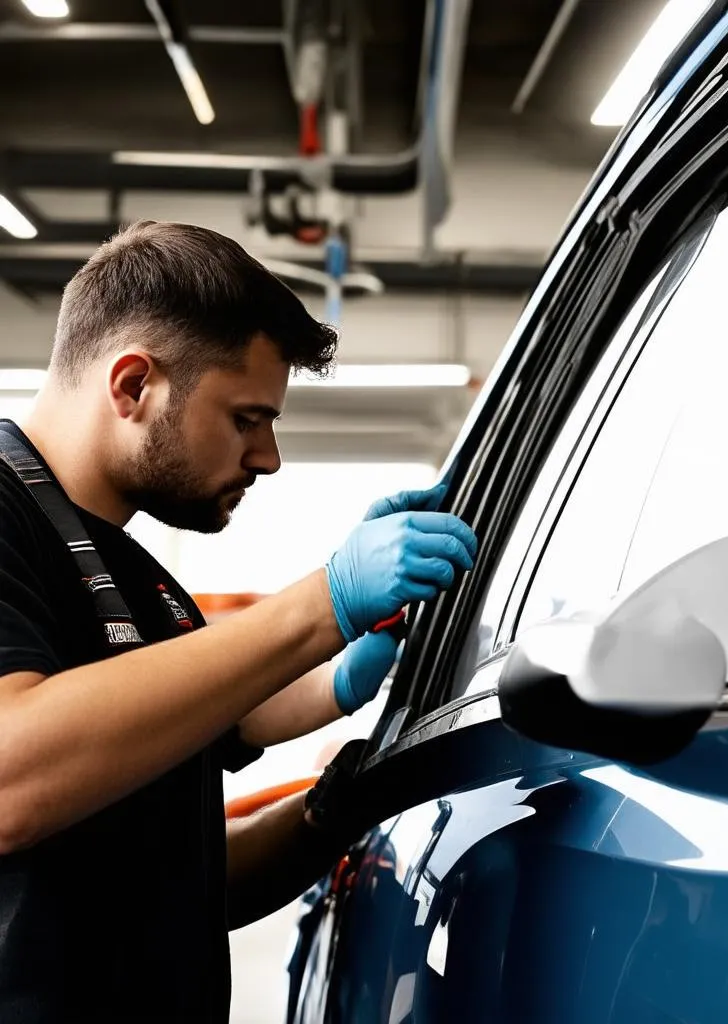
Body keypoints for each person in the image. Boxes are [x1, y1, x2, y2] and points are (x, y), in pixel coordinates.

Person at [0, 220, 478, 1023]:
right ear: (132, 386)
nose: (268, 457)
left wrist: (331, 798)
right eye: (246, 418)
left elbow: (175, 880)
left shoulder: (136, 574)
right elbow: (11, 777)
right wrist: (325, 600)